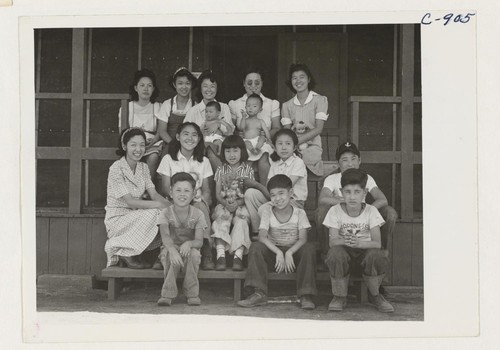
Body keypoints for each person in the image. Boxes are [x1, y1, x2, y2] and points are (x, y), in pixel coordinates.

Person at [237, 175, 317, 310]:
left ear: (290, 193)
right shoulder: (268, 211)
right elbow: (262, 236)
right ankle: (259, 293)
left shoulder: (299, 213)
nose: (277, 199)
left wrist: (290, 252)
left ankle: (306, 295)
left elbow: (303, 239)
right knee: (256, 247)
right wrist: (279, 252)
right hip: (274, 254)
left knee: (309, 249)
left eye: (281, 193)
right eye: (273, 195)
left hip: (294, 255)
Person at [322, 168, 394, 313]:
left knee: (376, 254)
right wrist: (347, 241)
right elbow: (333, 242)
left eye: (357, 192)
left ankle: (376, 295)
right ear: (341, 192)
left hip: (365, 253)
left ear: (365, 193)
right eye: (348, 192)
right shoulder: (335, 211)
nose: (352, 197)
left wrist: (359, 243)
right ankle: (339, 296)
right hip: (345, 254)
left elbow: (377, 243)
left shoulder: (371, 211)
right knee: (335, 253)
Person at [317, 141, 398, 256]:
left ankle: (381, 250)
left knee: (390, 212)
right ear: (338, 163)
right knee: (321, 211)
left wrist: (366, 211)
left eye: (353, 159)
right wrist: (347, 202)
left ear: (359, 161)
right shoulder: (332, 178)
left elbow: (383, 200)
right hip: (339, 217)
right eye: (345, 160)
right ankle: (327, 253)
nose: (350, 164)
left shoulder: (367, 178)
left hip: (362, 217)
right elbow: (323, 199)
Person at [104, 128, 170, 268]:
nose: (138, 149)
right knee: (155, 212)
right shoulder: (116, 168)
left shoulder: (143, 168)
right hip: (118, 219)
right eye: (133, 145)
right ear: (124, 146)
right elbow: (130, 201)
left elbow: (154, 194)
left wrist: (171, 207)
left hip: (135, 216)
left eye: (141, 145)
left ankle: (161, 255)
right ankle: (124, 252)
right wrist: (159, 205)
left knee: (166, 213)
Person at [157, 122, 215, 270]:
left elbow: (207, 190)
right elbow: (165, 188)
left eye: (195, 135)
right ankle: (164, 251)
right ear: (178, 137)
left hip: (196, 202)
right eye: (186, 134)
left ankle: (206, 249)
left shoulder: (204, 161)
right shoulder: (169, 160)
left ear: (199, 139)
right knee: (167, 210)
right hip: (175, 201)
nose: (190, 138)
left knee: (201, 206)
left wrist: (203, 201)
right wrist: (180, 201)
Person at [211, 135, 269, 271]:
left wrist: (237, 203)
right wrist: (226, 204)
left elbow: (248, 192)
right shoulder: (221, 170)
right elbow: (217, 193)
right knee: (221, 218)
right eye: (228, 151)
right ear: (223, 153)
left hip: (241, 204)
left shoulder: (247, 170)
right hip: (224, 203)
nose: (232, 155)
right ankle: (220, 255)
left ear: (242, 152)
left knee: (242, 220)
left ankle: (238, 256)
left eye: (235, 151)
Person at [245, 129, 307, 240]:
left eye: (288, 144)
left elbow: (284, 187)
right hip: (276, 197)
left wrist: (256, 184)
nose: (283, 147)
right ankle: (256, 231)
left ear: (294, 147)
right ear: (274, 147)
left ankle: (268, 235)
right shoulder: (275, 163)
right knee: (250, 194)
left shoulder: (298, 162)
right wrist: (259, 188)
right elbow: (270, 187)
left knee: (264, 209)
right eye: (280, 144)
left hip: (294, 201)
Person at [157, 172, 206, 307]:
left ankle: (192, 293)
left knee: (194, 255)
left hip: (189, 249)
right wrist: (172, 250)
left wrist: (189, 244)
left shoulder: (198, 214)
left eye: (186, 190)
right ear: (171, 193)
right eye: (178, 190)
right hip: (170, 248)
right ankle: (167, 294)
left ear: (194, 193)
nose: (182, 194)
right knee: (170, 256)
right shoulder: (166, 213)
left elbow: (199, 241)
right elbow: (165, 236)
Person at [229, 69, 280, 183]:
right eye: (249, 83)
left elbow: (276, 128)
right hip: (244, 142)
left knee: (263, 158)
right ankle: (244, 190)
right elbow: (232, 129)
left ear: (262, 83)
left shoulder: (271, 103)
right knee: (244, 160)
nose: (253, 86)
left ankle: (265, 190)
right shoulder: (235, 104)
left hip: (262, 142)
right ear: (243, 83)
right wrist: (240, 135)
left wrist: (264, 137)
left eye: (257, 83)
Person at [281, 63, 328, 176]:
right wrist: (292, 146)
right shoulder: (286, 105)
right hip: (291, 147)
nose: (298, 81)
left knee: (296, 163)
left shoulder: (320, 100)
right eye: (294, 78)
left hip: (312, 146)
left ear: (309, 79)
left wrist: (295, 143)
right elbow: (288, 132)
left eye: (302, 77)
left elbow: (318, 129)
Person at [184, 70, 235, 170]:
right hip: (198, 147)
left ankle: (223, 179)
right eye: (205, 86)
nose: (209, 89)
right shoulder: (193, 111)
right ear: (200, 88)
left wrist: (219, 124)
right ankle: (224, 179)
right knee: (209, 151)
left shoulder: (224, 107)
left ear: (217, 88)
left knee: (213, 151)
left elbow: (230, 133)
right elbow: (185, 133)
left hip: (221, 146)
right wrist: (200, 132)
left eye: (212, 86)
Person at [119, 69, 163, 178]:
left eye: (149, 86)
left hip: (152, 144)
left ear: (153, 89)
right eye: (142, 85)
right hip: (133, 143)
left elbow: (160, 130)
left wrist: (152, 142)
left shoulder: (158, 106)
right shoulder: (127, 107)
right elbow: (122, 132)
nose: (146, 89)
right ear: (136, 88)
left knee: (153, 157)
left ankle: (147, 190)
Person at [157, 67, 197, 156]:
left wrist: (187, 145)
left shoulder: (195, 106)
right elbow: (162, 131)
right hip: (170, 143)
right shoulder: (167, 104)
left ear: (191, 85)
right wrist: (174, 144)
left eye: (187, 83)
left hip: (190, 144)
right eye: (180, 83)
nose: (184, 87)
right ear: (174, 85)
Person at [240, 94, 273, 185]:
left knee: (262, 139)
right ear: (245, 107)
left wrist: (269, 139)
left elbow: (266, 131)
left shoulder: (260, 121)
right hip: (248, 141)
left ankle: (257, 149)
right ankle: (252, 150)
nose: (251, 108)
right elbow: (241, 127)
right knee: (246, 142)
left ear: (260, 109)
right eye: (248, 106)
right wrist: (243, 117)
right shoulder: (246, 120)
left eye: (254, 106)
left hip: (257, 140)